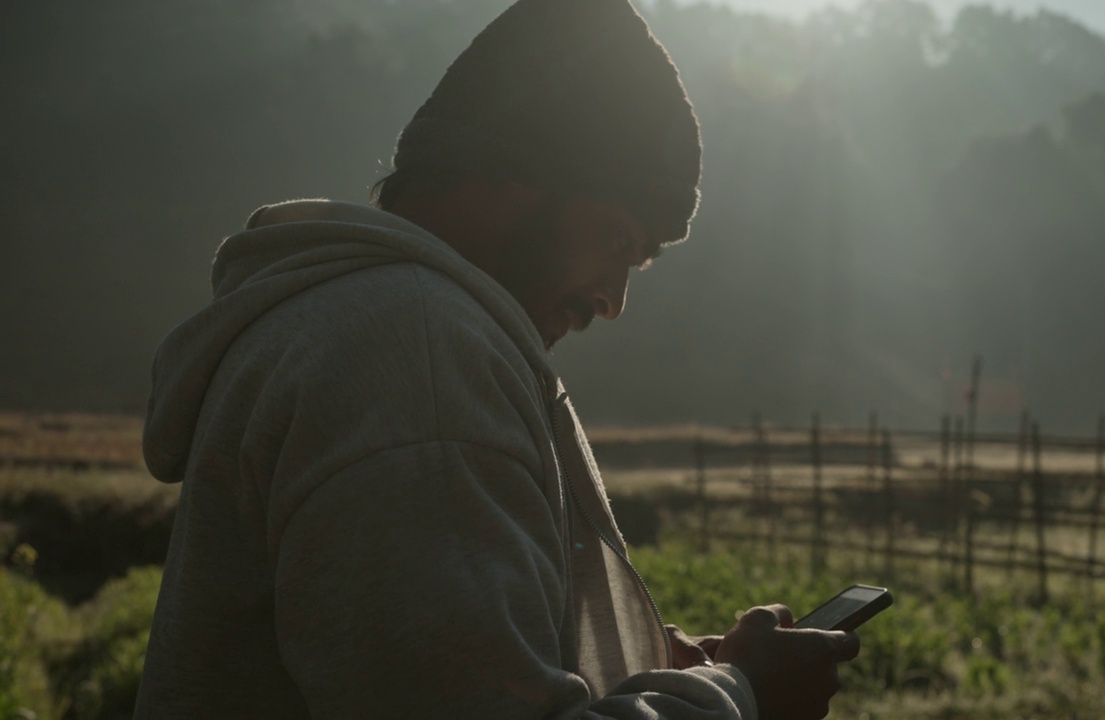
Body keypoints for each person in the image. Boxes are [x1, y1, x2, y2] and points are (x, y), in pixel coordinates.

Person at [134, 0, 861, 718]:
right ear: (509, 177)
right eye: (616, 240)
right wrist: (743, 694)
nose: (612, 300)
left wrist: (621, 658)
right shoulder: (418, 357)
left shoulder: (353, 321)